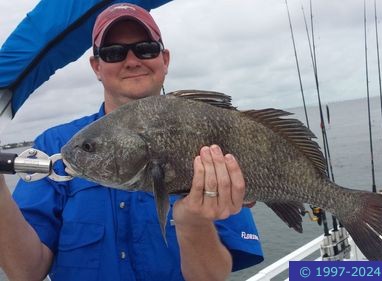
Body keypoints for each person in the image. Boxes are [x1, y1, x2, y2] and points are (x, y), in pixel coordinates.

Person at [0, 3, 263, 281]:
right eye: (113, 53)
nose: (132, 60)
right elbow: (26, 272)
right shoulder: (54, 146)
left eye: (146, 48)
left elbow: (212, 278)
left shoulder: (213, 131)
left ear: (165, 59)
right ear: (96, 66)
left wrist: (194, 222)